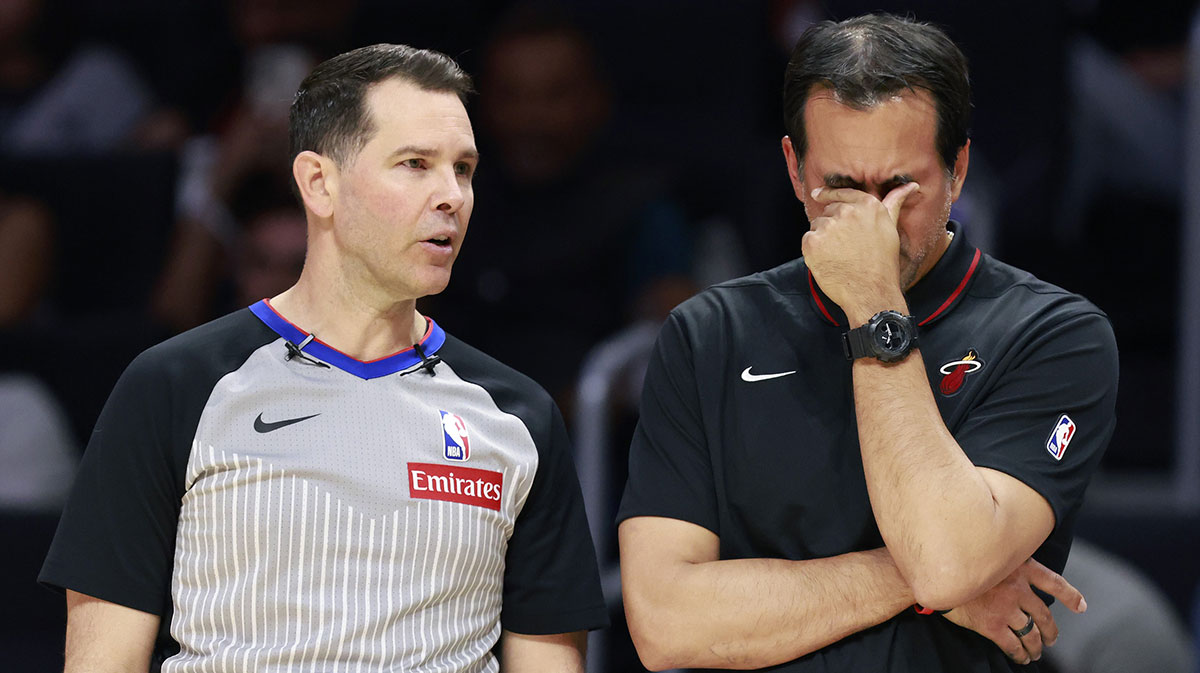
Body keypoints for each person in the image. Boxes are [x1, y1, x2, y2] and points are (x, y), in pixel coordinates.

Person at [40, 43, 606, 672]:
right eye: (415, 164)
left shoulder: (517, 416)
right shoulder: (176, 386)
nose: (452, 195)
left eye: (464, 169)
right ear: (319, 183)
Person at [618, 13, 1117, 672]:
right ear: (796, 171)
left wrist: (875, 303)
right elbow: (665, 624)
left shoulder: (1054, 334)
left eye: (900, 188)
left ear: (958, 170)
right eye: (844, 188)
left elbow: (944, 561)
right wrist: (920, 582)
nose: (875, 221)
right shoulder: (708, 334)